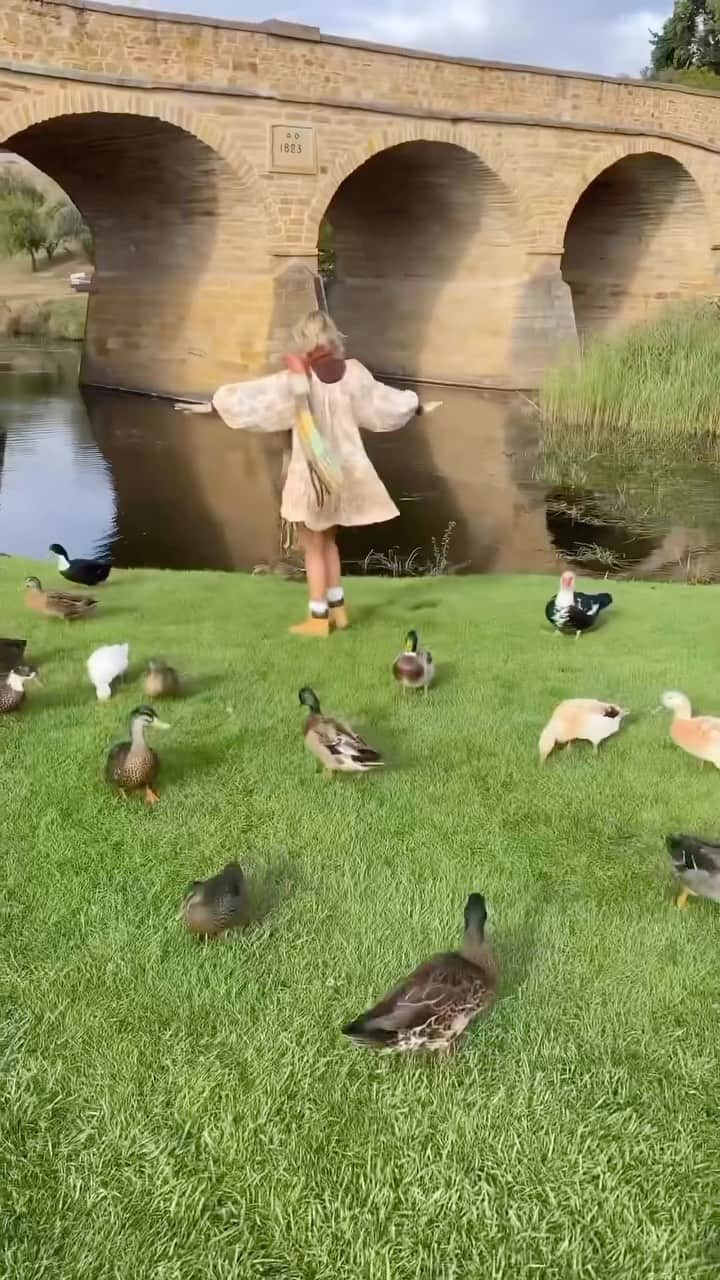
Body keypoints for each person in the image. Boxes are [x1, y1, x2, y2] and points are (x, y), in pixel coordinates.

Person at [185, 311, 439, 637]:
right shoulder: (354, 374)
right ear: (333, 337)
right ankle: (339, 610)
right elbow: (385, 403)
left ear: (302, 339)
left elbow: (253, 401)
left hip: (313, 475)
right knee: (329, 542)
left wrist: (212, 405)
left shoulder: (295, 379)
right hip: (343, 473)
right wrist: (416, 405)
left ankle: (318, 619)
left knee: (313, 547)